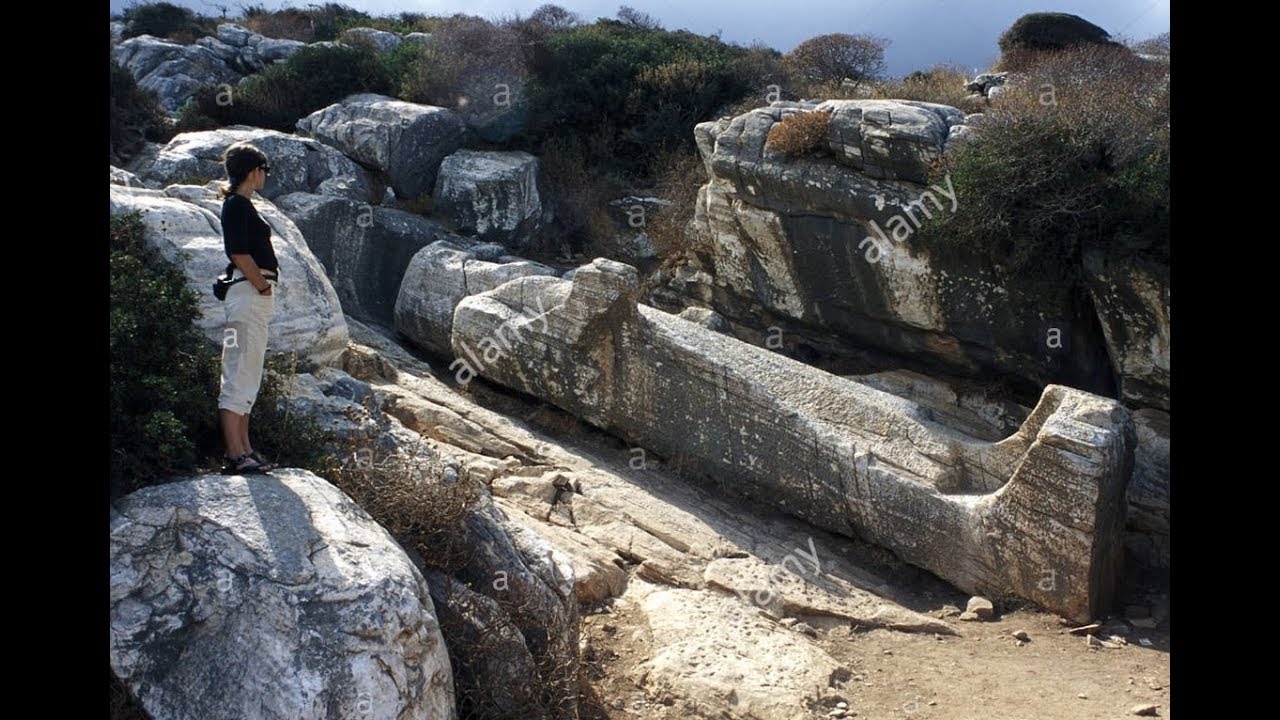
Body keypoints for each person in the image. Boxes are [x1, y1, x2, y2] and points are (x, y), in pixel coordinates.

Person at [217, 141, 280, 474]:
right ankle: (235, 453)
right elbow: (238, 254)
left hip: (251, 297)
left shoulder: (242, 205)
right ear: (254, 171)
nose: (265, 176)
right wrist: (263, 285)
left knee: (249, 373)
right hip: (248, 294)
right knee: (238, 370)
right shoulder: (236, 206)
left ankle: (245, 448)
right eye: (264, 170)